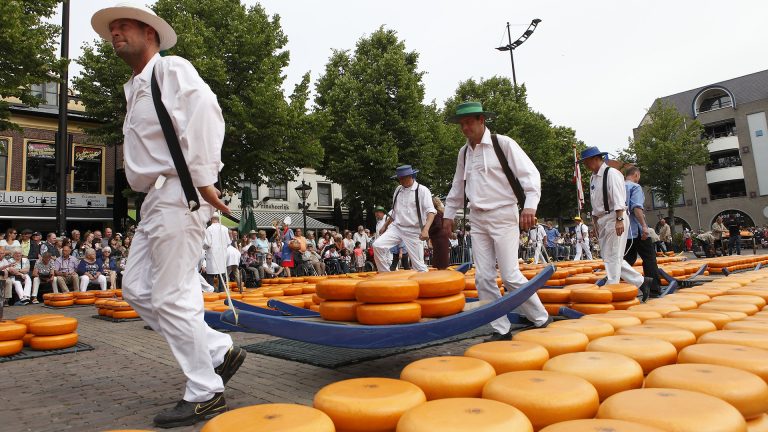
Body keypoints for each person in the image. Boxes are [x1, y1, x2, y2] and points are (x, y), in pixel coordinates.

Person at [91, 3, 243, 426]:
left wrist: (205, 178)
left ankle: (205, 391)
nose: (115, 33)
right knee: (138, 290)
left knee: (172, 295)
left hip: (179, 191)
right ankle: (216, 351)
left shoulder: (170, 69)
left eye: (124, 27)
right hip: (153, 200)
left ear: (151, 35)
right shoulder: (133, 86)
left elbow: (206, 113)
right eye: (113, 29)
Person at [443, 101, 551, 341]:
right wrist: (448, 215)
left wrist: (530, 206)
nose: (465, 128)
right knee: (482, 277)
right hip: (478, 217)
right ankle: (500, 328)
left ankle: (541, 318)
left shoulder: (503, 144)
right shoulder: (464, 152)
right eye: (461, 124)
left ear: (482, 120)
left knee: (511, 274)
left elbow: (530, 175)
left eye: (469, 122)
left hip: (503, 213)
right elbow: (457, 187)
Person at [578, 147, 652, 299]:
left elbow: (619, 198)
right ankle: (642, 282)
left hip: (614, 217)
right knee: (609, 256)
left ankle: (612, 288)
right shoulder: (593, 177)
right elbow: (596, 201)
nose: (584, 164)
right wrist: (595, 222)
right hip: (603, 219)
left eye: (586, 161)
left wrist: (619, 220)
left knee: (612, 256)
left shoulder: (611, 173)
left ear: (596, 158)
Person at [373, 165, 436, 272]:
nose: (400, 181)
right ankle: (385, 276)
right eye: (399, 178)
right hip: (397, 228)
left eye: (402, 178)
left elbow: (431, 211)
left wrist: (425, 229)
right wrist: (385, 225)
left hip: (414, 231)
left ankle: (426, 285)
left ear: (410, 176)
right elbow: (394, 212)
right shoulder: (398, 190)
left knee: (419, 266)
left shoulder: (422, 190)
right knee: (377, 245)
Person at [623, 167, 661, 298]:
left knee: (627, 259)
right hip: (637, 230)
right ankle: (653, 288)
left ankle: (616, 284)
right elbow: (637, 208)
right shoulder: (635, 187)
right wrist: (644, 226)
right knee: (649, 257)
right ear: (636, 175)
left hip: (624, 231)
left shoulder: (618, 187)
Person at [203, 214, 231, 292]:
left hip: (212, 255)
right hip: (222, 254)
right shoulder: (225, 229)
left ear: (211, 219)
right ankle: (222, 290)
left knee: (211, 275)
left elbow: (207, 243)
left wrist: (203, 247)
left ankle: (211, 291)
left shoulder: (209, 229)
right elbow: (228, 242)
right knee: (221, 273)